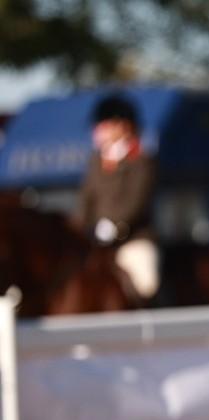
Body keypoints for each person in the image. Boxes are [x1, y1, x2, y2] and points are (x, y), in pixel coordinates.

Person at [74, 93, 159, 301]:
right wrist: (76, 231)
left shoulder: (142, 161)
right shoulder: (95, 162)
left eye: (101, 125)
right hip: (95, 242)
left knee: (147, 283)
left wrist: (116, 227)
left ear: (121, 125)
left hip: (133, 241)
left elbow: (138, 201)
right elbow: (86, 202)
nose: (95, 132)